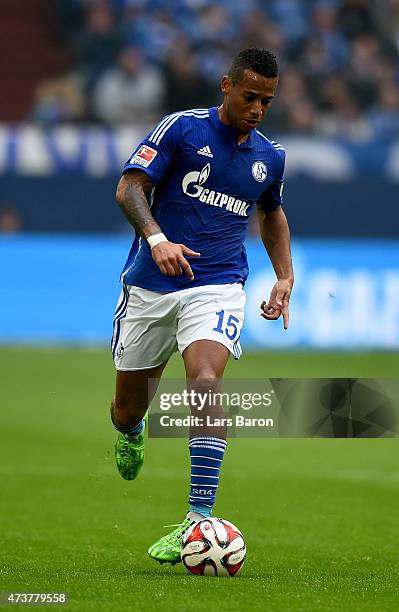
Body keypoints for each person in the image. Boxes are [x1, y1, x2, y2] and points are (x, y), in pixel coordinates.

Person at [110, 47, 294, 565]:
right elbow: (129, 188)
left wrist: (284, 276)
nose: (258, 108)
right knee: (127, 409)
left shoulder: (270, 157)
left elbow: (272, 213)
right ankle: (130, 432)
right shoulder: (181, 130)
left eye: (267, 100)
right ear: (226, 85)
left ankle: (197, 519)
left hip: (217, 284)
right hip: (150, 283)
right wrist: (157, 238)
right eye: (250, 96)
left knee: (206, 382)